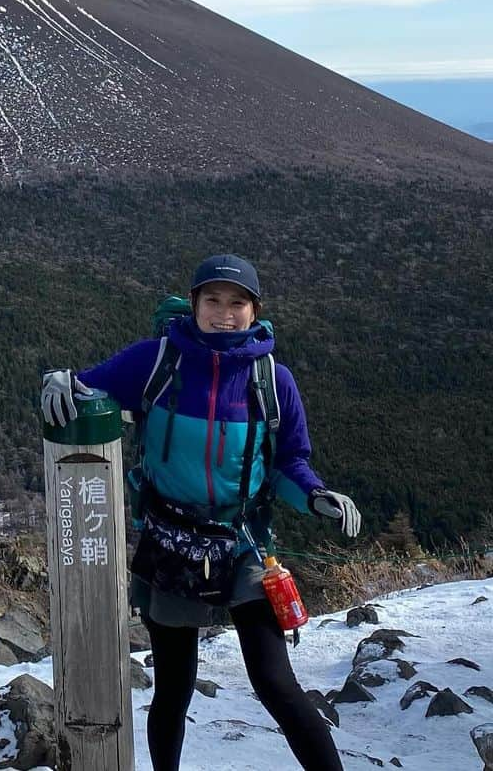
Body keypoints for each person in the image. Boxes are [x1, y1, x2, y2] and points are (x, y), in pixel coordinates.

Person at [40, 254, 360, 771]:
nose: (224, 312)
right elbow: (87, 384)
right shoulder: (158, 360)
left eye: (238, 302)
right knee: (173, 686)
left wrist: (316, 496)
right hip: (172, 540)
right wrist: (59, 379)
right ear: (193, 304)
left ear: (256, 310)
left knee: (276, 682)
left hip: (244, 541)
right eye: (213, 299)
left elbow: (289, 463)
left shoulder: (273, 380)